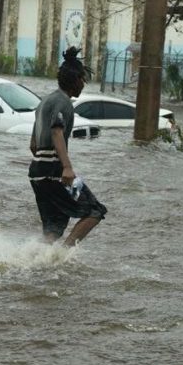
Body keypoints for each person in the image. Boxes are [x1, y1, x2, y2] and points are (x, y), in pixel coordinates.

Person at [28, 47, 107, 246]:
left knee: (53, 227)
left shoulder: (44, 101)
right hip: (54, 171)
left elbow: (33, 144)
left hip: (36, 172)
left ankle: (42, 260)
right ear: (76, 80)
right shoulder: (64, 102)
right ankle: (63, 254)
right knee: (94, 210)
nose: (84, 84)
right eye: (83, 80)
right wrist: (67, 167)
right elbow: (56, 131)